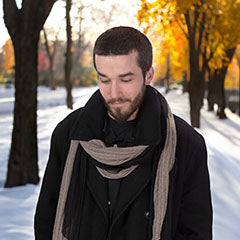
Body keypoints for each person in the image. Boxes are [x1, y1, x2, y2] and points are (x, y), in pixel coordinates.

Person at [34, 26, 212, 240]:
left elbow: (195, 233)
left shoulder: (186, 144)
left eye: (126, 80)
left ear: (148, 75)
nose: (114, 93)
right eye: (104, 80)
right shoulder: (69, 134)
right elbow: (46, 220)